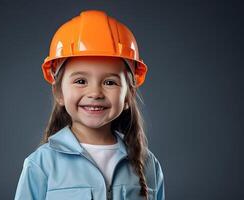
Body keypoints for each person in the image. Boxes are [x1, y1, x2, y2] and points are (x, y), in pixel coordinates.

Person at [14, 10, 165, 200]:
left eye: (110, 82)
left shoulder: (148, 164)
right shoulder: (41, 164)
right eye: (80, 81)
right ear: (59, 92)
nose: (95, 93)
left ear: (129, 95)